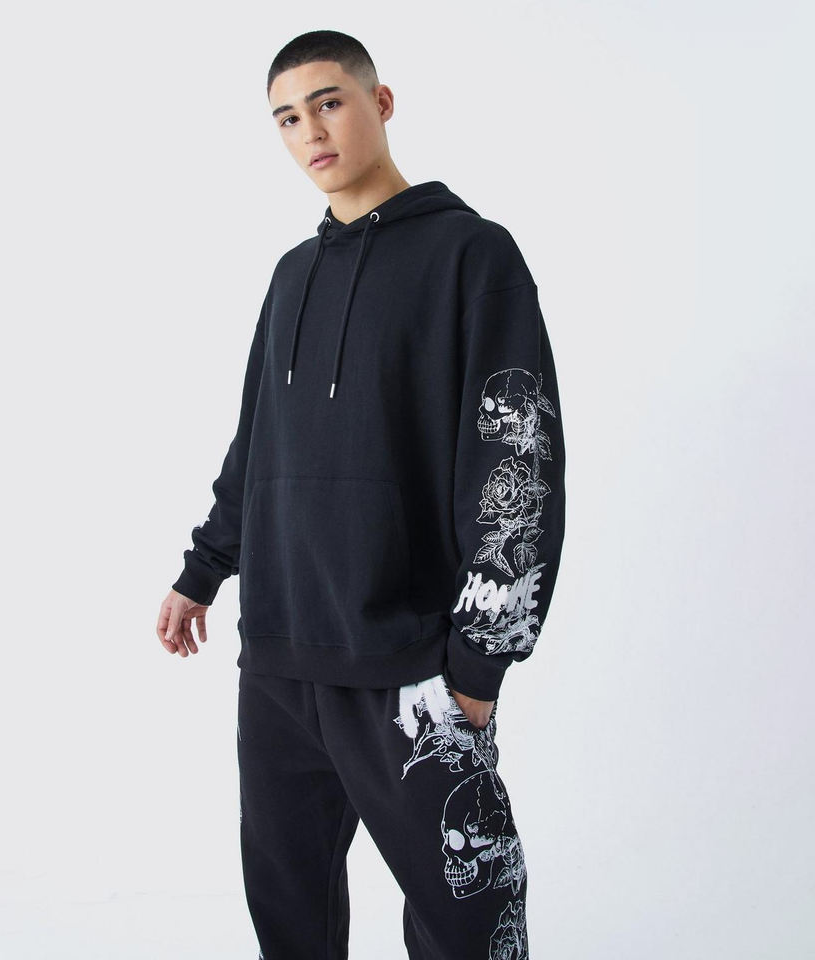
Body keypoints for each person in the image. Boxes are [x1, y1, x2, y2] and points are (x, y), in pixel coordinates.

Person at [155, 29, 566, 960]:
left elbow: (518, 463)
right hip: (279, 660)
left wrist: (479, 666)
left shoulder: (473, 255)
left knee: (471, 924)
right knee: (291, 923)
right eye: (286, 118)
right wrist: (203, 571)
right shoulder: (291, 275)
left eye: (329, 102)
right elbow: (261, 438)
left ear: (380, 103)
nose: (311, 131)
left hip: (409, 663)